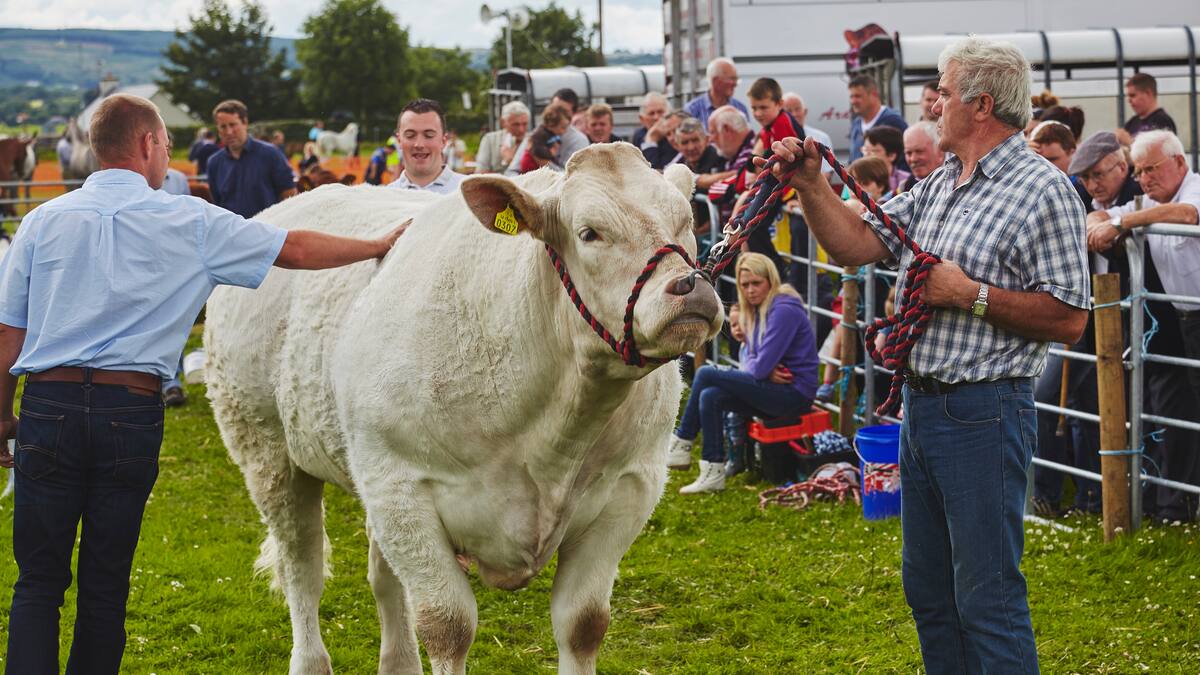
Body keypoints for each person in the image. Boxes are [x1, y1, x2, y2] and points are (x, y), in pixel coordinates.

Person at [0, 93, 409, 675]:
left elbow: (7, 332)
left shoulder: (40, 222)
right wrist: (375, 245)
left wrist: (2, 413)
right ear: (146, 144)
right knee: (104, 583)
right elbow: (291, 248)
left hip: (49, 407)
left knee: (37, 581)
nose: (167, 156)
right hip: (130, 411)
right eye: (166, 145)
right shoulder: (187, 220)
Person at [763, 36, 1089, 672]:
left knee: (986, 599)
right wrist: (809, 182)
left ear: (981, 105)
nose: (932, 101)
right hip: (922, 408)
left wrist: (970, 297)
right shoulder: (942, 184)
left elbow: (1071, 319)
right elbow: (857, 242)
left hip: (987, 412)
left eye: (942, 88)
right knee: (931, 594)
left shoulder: (1044, 190)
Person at [1085, 129, 1200, 522]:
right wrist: (1101, 221)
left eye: (1152, 168)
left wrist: (1123, 223)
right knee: (1180, 409)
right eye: (1139, 170)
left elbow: (1188, 216)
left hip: (1194, 311)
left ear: (1180, 163)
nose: (1145, 178)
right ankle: (1179, 503)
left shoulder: (1193, 190)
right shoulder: (1150, 201)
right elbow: (1100, 214)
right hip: (1182, 319)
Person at [664, 252, 817, 493]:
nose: (751, 290)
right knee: (710, 395)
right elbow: (754, 364)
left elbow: (759, 368)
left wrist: (762, 370)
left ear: (770, 280)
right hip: (776, 390)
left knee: (705, 374)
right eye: (745, 285)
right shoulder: (756, 309)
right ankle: (713, 470)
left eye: (757, 283)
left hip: (794, 395)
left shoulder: (783, 308)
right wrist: (763, 370)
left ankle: (682, 441)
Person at [206, 99, 296, 218]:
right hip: (232, 233)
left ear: (245, 122)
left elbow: (289, 195)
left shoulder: (271, 154)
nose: (228, 132)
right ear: (218, 129)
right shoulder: (214, 163)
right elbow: (217, 203)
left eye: (233, 125)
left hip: (268, 230)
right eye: (223, 127)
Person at [505, 89, 589, 175]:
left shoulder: (578, 140)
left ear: (573, 113)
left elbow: (571, 177)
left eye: (563, 111)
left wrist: (544, 162)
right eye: (554, 110)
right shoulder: (537, 133)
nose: (557, 115)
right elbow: (512, 171)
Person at [390, 98, 464, 194]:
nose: (419, 144)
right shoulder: (384, 198)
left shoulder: (470, 194)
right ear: (399, 141)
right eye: (410, 136)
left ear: (443, 141)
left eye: (429, 135)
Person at [847, 74, 907, 163]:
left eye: (858, 96)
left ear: (874, 94)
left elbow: (904, 160)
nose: (853, 101)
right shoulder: (857, 124)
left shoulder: (893, 121)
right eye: (851, 97)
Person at [1029, 120, 1091, 204]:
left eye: (1052, 160)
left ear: (1072, 153)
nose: (1046, 166)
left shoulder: (1085, 186)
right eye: (1041, 160)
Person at [684, 57, 750, 129]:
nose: (735, 84)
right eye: (732, 79)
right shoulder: (693, 110)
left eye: (736, 79)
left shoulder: (740, 109)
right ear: (716, 81)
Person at [781, 92, 833, 179]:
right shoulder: (777, 139)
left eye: (797, 109)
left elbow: (828, 172)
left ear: (805, 111)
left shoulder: (822, 137)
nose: (794, 114)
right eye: (788, 111)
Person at [476, 101, 530, 173]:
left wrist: (510, 161)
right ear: (503, 122)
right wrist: (505, 162)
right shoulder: (490, 139)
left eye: (525, 124)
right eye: (515, 124)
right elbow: (480, 174)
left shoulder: (533, 140)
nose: (521, 129)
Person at [518, 103, 571, 173]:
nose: (565, 131)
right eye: (563, 127)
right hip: (530, 166)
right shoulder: (540, 134)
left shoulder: (552, 134)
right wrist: (550, 153)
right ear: (550, 125)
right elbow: (536, 150)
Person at [1123, 73, 1177, 138]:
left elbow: (1158, 147)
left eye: (1133, 95)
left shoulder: (1163, 122)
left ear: (1148, 93)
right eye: (1128, 96)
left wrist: (1128, 142)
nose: (1129, 100)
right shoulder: (1131, 123)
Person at [862, 126, 911, 193]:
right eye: (865, 150)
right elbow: (845, 201)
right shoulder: (856, 177)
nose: (866, 155)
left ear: (892, 156)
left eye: (873, 151)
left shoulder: (907, 181)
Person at [901, 122, 945, 191]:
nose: (913, 159)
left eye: (919, 151)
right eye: (908, 153)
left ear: (940, 152)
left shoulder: (954, 183)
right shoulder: (906, 186)